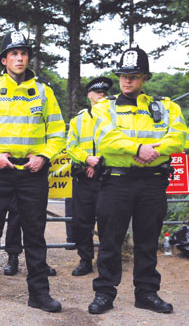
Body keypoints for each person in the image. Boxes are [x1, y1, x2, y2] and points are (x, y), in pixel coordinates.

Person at [0, 31, 65, 313]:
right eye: (14, 53)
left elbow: (58, 132)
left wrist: (44, 156)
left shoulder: (44, 92)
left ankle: (39, 293)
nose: (20, 57)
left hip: (32, 173)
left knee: (35, 234)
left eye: (23, 53)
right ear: (4, 60)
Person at [88, 46, 185, 314]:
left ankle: (146, 293)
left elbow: (178, 138)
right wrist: (139, 148)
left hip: (152, 182)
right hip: (117, 182)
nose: (127, 80)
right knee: (110, 240)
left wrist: (151, 150)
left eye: (134, 75)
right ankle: (105, 293)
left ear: (144, 78)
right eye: (123, 75)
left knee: (147, 241)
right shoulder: (104, 107)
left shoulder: (166, 106)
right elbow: (107, 139)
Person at [66, 76, 112, 277]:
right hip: (84, 177)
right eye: (97, 92)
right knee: (82, 221)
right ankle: (85, 260)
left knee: (108, 221)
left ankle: (107, 261)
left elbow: (118, 144)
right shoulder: (78, 119)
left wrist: (99, 162)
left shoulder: (115, 117)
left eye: (104, 92)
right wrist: (87, 160)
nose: (101, 95)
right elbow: (71, 146)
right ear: (89, 95)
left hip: (108, 177)